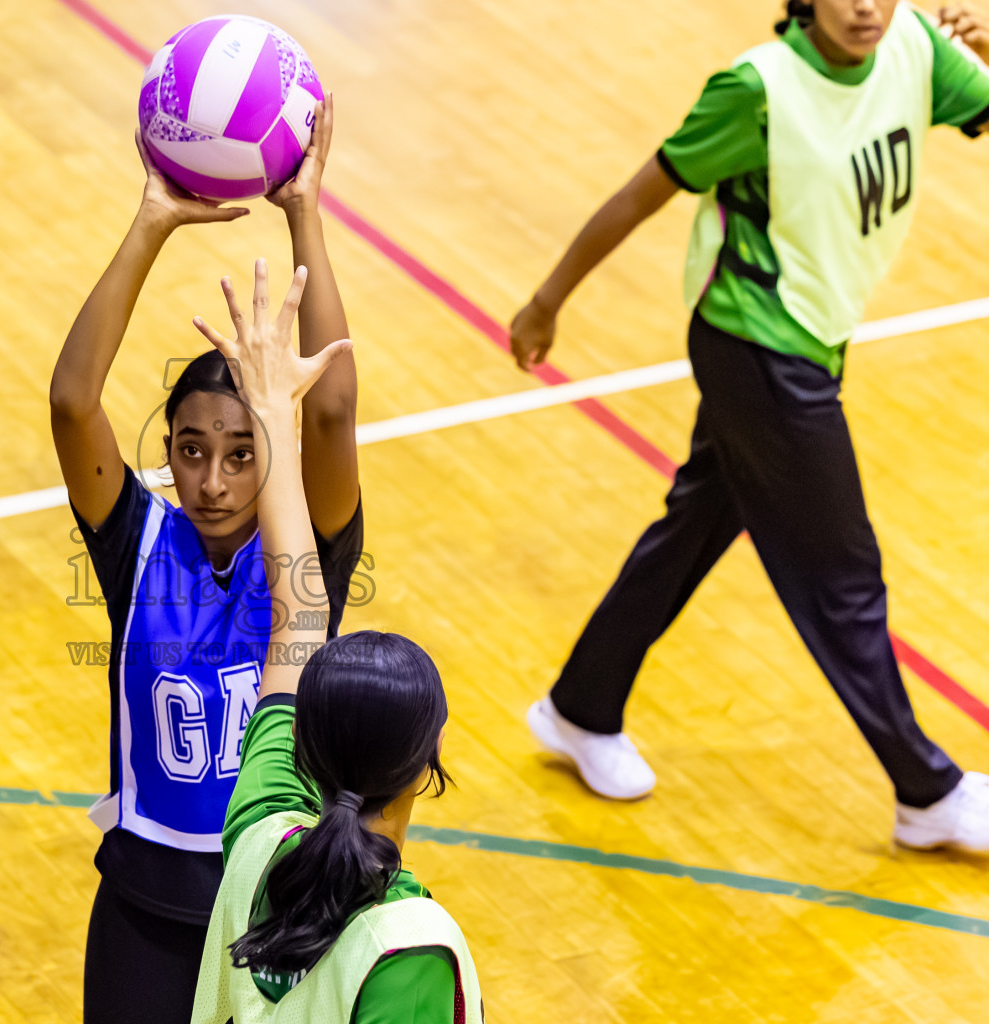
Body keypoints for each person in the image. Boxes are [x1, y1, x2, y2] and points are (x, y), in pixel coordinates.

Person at [507, 0, 989, 852]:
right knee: (842, 576)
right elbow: (640, 193)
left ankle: (581, 707)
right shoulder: (756, 91)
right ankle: (927, 792)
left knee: (695, 525)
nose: (865, 6)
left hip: (811, 332)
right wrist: (548, 300)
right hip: (756, 343)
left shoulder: (913, 44)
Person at [49, 97, 368, 1022]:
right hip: (144, 910)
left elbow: (336, 410)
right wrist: (153, 218)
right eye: (192, 449)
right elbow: (75, 402)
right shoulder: (136, 540)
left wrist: (304, 205)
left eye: (242, 452)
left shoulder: (308, 552)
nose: (215, 479)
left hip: (276, 912)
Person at [188, 259, 482, 1023]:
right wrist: (270, 412)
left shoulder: (260, 832)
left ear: (298, 745)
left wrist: (272, 409)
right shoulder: (405, 949)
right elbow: (301, 614)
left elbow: (296, 615)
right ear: (425, 767)